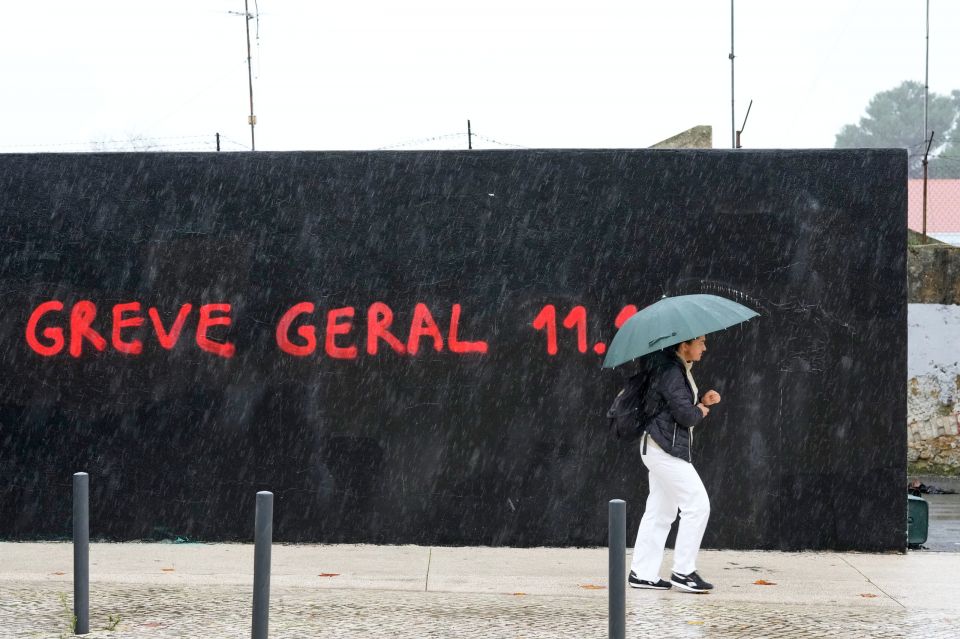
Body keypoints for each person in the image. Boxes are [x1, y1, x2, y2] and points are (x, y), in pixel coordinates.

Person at [628, 336, 720, 594]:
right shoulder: (671, 371)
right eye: (700, 342)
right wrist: (700, 410)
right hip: (664, 449)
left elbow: (674, 406)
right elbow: (685, 415)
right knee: (697, 505)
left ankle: (643, 573)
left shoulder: (673, 368)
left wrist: (701, 402)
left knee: (660, 512)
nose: (704, 347)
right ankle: (683, 571)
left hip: (658, 447)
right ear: (684, 346)